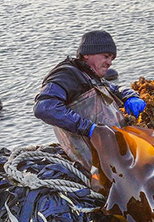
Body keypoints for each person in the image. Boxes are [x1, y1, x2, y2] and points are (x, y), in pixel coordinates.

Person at [34, 30, 146, 170]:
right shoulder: (67, 74)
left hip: (112, 151)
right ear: (86, 54)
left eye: (112, 58)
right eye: (106, 56)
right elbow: (44, 107)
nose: (110, 63)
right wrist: (87, 128)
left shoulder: (90, 75)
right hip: (91, 159)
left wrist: (130, 96)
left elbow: (115, 89)